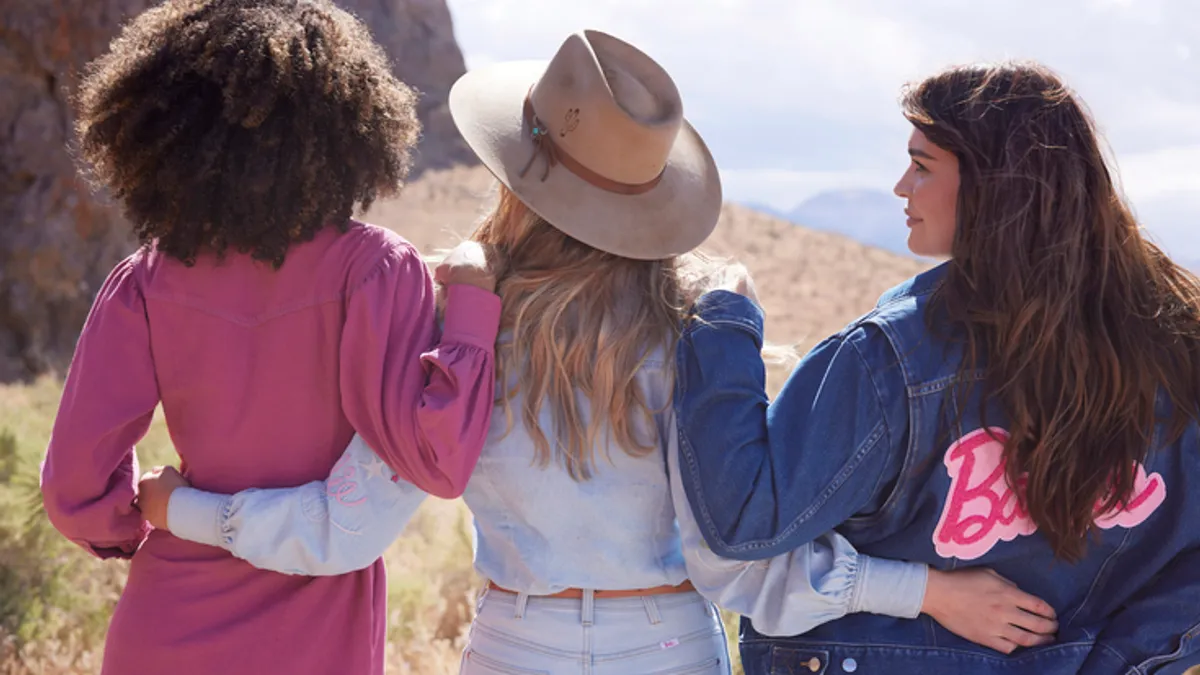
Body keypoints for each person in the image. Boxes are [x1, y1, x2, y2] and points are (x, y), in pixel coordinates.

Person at [138, 33, 1059, 675]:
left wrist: (184, 508)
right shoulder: (703, 322)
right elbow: (745, 568)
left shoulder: (456, 321)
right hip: (666, 647)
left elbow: (345, 530)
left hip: (511, 645)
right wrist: (925, 591)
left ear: (513, 168)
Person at [672, 60, 1200, 675]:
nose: (901, 186)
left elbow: (743, 523)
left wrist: (723, 320)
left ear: (994, 188)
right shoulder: (1178, 346)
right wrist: (1118, 659)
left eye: (922, 166)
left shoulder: (889, 359)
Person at [38, 1, 501, 674]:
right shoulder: (376, 271)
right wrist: (473, 309)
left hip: (167, 622)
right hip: (318, 632)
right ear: (348, 126)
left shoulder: (146, 281)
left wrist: (145, 518)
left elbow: (75, 486)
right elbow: (439, 459)